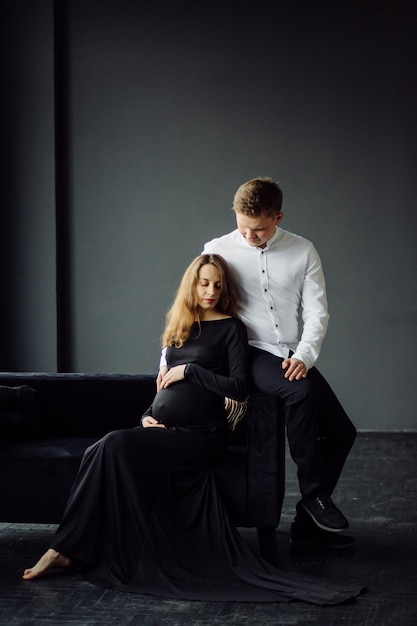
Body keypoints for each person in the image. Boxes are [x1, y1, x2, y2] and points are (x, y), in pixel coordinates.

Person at [22, 254, 364, 604]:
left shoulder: (231, 328)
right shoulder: (179, 329)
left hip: (202, 434)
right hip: (166, 429)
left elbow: (239, 387)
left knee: (110, 445)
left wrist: (192, 372)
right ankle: (72, 546)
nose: (211, 290)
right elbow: (161, 389)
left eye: (217, 284)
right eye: (204, 283)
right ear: (192, 284)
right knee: (101, 449)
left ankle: (62, 548)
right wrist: (145, 418)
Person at [199, 177, 358, 549]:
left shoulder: (303, 250)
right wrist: (166, 358)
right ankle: (316, 494)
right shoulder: (217, 248)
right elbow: (192, 302)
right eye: (243, 227)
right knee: (300, 392)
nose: (250, 236)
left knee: (342, 431)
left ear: (279, 217)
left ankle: (307, 524)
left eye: (259, 229)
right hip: (245, 350)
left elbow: (318, 312)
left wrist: (304, 354)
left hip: (288, 352)